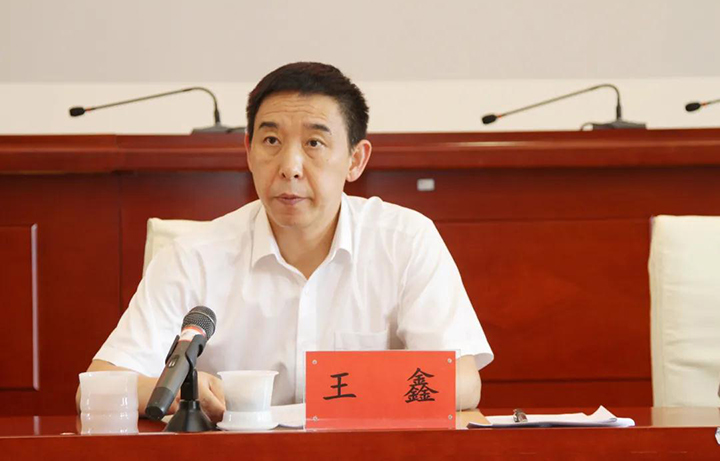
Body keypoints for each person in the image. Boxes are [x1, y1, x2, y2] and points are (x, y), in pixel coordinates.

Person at [77, 62, 493, 421]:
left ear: (355, 160)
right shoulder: (193, 256)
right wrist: (176, 392)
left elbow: (462, 381)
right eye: (272, 141)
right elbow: (95, 387)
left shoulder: (406, 241)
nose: (289, 166)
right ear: (248, 151)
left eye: (314, 143)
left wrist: (347, 393)